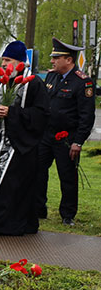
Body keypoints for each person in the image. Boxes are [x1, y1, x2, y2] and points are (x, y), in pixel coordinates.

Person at [0, 41, 49, 235]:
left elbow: (41, 114)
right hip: (2, 142)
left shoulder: (34, 84)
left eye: (8, 60)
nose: (4, 64)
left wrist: (12, 113)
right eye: (3, 60)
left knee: (12, 183)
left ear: (21, 62)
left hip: (24, 144)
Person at [36, 37, 95, 226]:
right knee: (37, 171)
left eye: (56, 57)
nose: (52, 61)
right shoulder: (52, 76)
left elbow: (87, 116)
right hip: (46, 135)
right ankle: (38, 208)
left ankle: (67, 214)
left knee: (67, 176)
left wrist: (78, 142)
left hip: (66, 138)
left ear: (68, 60)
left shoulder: (82, 82)